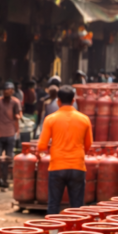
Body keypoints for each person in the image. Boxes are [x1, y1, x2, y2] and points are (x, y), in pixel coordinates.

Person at [37, 85, 91, 215]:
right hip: (77, 166)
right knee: (77, 207)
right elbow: (88, 145)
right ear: (73, 101)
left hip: (57, 166)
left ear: (58, 101)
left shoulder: (50, 119)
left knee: (54, 204)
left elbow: (41, 146)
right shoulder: (84, 119)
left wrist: (54, 147)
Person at [0, 82, 23, 188]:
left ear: (12, 91)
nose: (7, 91)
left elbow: (19, 114)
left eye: (9, 89)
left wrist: (18, 118)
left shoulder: (15, 102)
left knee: (9, 158)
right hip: (0, 132)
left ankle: (6, 179)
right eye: (5, 89)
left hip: (10, 132)